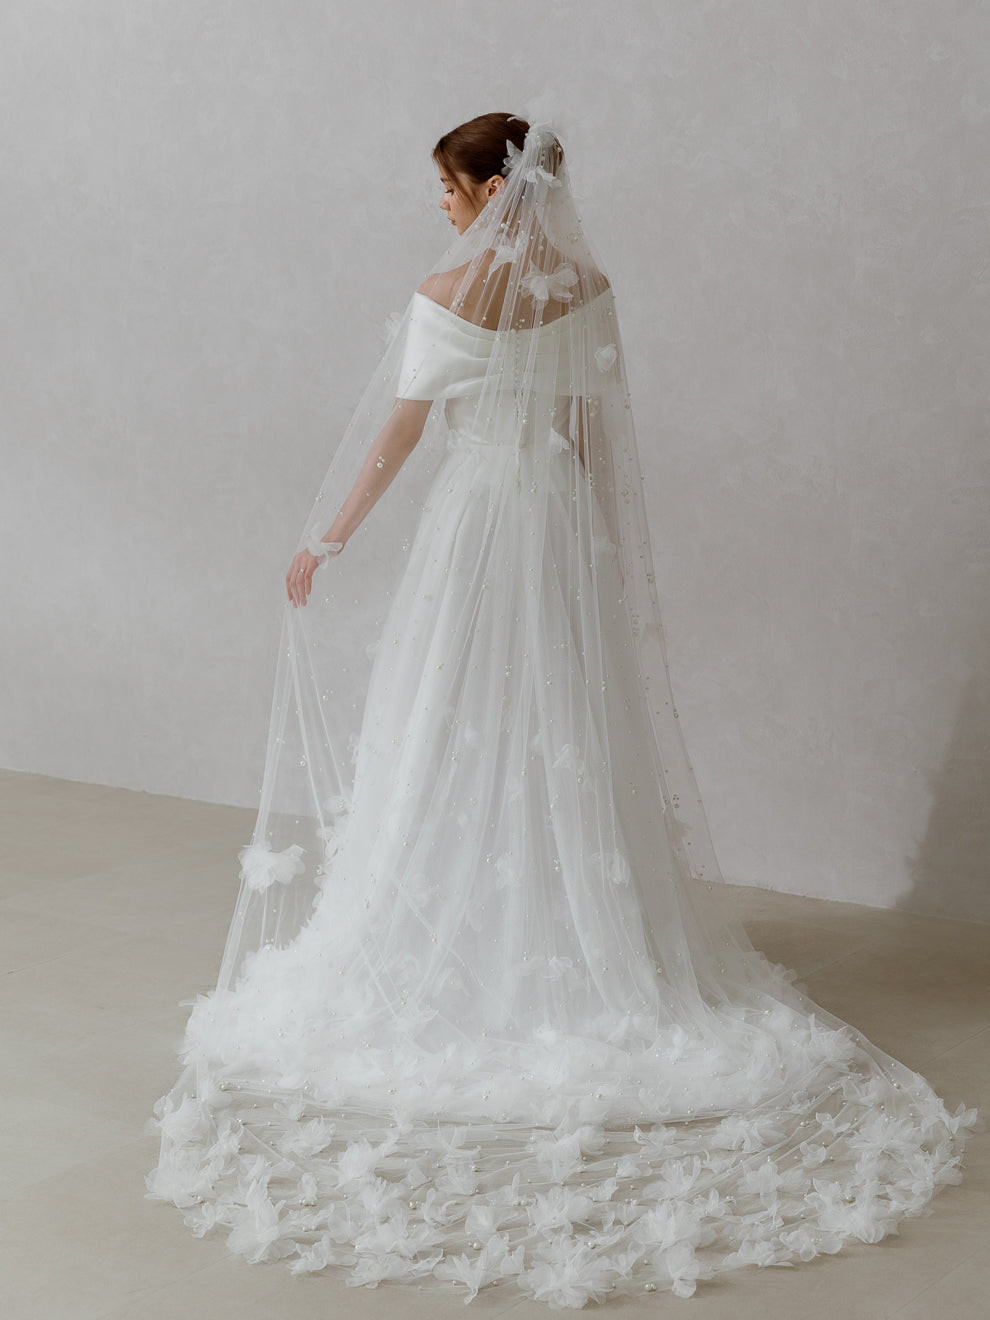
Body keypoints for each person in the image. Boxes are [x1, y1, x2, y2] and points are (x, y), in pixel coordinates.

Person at [147, 113, 977, 1309]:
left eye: (447, 185)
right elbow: (595, 438)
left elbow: (399, 430)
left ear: (489, 187)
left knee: (448, 721)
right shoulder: (586, 286)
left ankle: (453, 928)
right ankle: (578, 926)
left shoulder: (446, 287)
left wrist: (324, 536)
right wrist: (596, 562)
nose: (440, 205)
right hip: (555, 534)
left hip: (479, 524)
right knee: (564, 739)